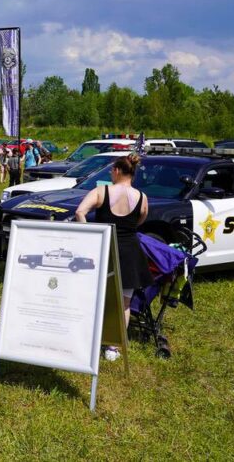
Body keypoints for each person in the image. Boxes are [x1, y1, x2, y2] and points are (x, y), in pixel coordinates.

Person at [75, 153, 153, 360]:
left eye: (111, 170)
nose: (110, 173)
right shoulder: (142, 197)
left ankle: (89, 339)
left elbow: (80, 211)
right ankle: (114, 348)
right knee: (125, 302)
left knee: (95, 297)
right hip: (130, 252)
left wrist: (90, 234)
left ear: (117, 171)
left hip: (104, 249)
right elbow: (141, 219)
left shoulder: (101, 191)